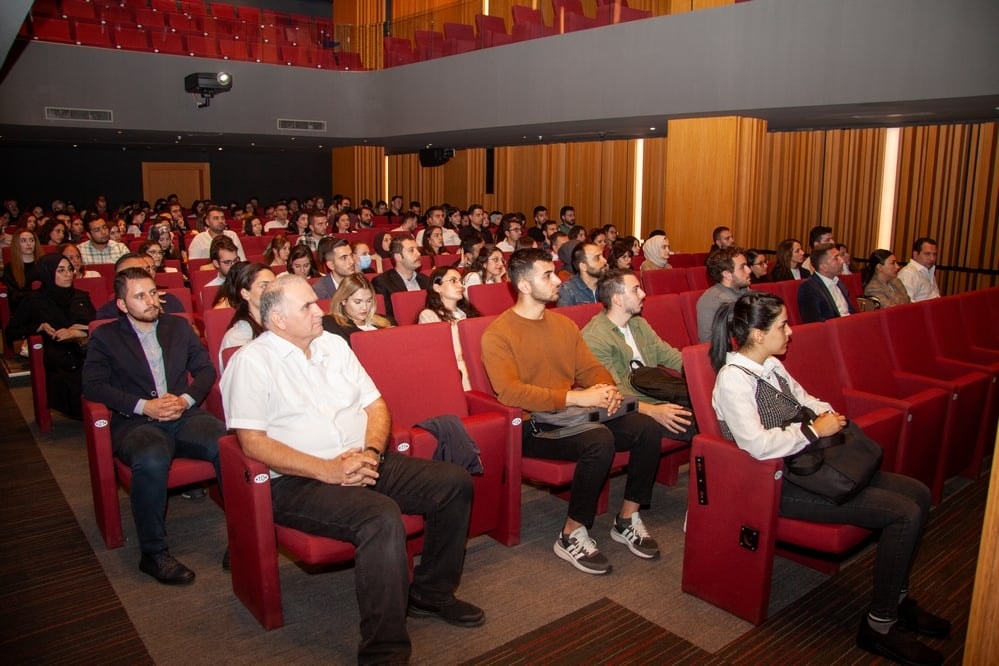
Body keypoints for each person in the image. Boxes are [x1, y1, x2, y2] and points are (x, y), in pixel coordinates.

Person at [221, 274, 482, 662]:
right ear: (277, 320)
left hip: (364, 459)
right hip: (299, 480)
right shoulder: (251, 363)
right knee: (380, 517)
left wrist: (372, 454)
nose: (319, 310)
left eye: (315, 301)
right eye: (307, 306)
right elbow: (252, 443)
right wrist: (328, 470)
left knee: (453, 483)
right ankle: (384, 649)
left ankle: (430, 594)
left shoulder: (333, 345)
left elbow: (376, 406)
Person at [709, 292, 948, 666]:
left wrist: (826, 415)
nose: (790, 332)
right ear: (756, 334)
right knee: (902, 513)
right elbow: (754, 445)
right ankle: (880, 625)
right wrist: (813, 432)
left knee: (917, 493)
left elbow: (805, 398)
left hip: (810, 467)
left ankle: (897, 600)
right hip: (777, 483)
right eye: (782, 326)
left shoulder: (770, 364)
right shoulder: (732, 380)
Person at [481, 248, 665, 574]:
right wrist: (576, 398)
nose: (558, 281)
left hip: (568, 416)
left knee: (646, 427)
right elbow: (510, 392)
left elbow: (591, 370)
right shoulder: (498, 334)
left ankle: (627, 519)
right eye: (547, 275)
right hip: (532, 424)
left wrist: (606, 390)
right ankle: (571, 534)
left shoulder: (563, 325)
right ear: (523, 286)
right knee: (599, 439)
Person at [83, 267, 226, 585]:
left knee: (226, 443)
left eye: (152, 293)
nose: (150, 301)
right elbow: (92, 386)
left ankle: (244, 537)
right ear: (122, 304)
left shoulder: (177, 326)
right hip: (136, 422)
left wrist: (185, 400)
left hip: (183, 415)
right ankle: (153, 553)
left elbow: (204, 369)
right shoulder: (106, 337)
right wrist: (143, 405)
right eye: (139, 296)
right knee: (151, 457)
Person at [581, 269, 694, 440]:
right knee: (704, 424)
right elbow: (614, 391)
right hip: (633, 407)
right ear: (617, 299)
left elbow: (668, 354)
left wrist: (700, 374)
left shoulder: (639, 324)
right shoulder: (594, 337)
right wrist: (653, 410)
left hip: (658, 392)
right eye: (635, 289)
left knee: (716, 410)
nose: (643, 294)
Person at [5, 253, 95, 418]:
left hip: (88, 348)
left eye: (69, 269)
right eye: (61, 270)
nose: (68, 274)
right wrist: (38, 327)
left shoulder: (80, 296)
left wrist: (79, 331)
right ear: (48, 272)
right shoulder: (34, 300)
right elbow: (11, 332)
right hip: (60, 355)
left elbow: (96, 325)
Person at [218, 262, 275, 367]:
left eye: (274, 285)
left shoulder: (283, 326)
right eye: (264, 286)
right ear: (245, 293)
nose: (272, 291)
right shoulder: (237, 337)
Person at [695, 247, 752, 343]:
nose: (749, 270)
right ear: (727, 274)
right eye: (742, 267)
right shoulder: (714, 300)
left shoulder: (744, 291)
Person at [323, 273, 394, 345]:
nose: (365, 307)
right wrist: (383, 336)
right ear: (344, 300)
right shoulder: (331, 324)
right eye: (358, 302)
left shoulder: (387, 321)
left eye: (369, 301)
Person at [371, 234, 429, 318]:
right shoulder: (382, 283)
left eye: (417, 249)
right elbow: (386, 317)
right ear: (398, 257)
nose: (419, 253)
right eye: (411, 250)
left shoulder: (426, 280)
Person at [797, 243, 856, 323]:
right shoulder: (809, 288)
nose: (842, 261)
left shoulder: (838, 282)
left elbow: (851, 311)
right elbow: (815, 323)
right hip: (834, 330)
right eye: (836, 258)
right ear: (824, 267)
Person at [3, 228, 44, 313]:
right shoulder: (10, 268)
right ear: (17, 244)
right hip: (22, 309)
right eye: (23, 241)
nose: (29, 244)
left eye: (31, 240)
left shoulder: (44, 263)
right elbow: (13, 296)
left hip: (45, 306)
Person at [556, 241, 607, 307]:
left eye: (602, 256)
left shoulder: (609, 285)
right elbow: (563, 317)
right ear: (583, 267)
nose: (605, 260)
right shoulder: (567, 290)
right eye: (597, 258)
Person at [896, 237, 941, 302]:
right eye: (927, 254)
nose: (932, 258)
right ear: (915, 254)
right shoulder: (908, 273)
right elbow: (907, 304)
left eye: (934, 254)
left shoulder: (929, 270)